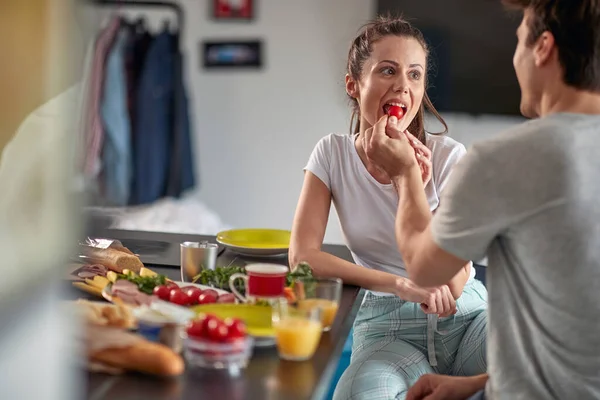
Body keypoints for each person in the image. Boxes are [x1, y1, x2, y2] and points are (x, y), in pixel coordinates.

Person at [362, 1, 600, 399]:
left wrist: (404, 175)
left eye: (520, 41)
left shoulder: (504, 159)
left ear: (543, 47)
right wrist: (478, 385)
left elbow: (425, 268)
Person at [289, 16, 488, 400]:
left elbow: (459, 268)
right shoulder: (331, 154)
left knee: (536, 370)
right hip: (385, 327)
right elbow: (304, 256)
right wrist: (398, 284)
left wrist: (408, 179)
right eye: (387, 70)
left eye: (415, 75)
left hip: (468, 319)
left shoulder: (448, 156)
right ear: (354, 85)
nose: (402, 85)